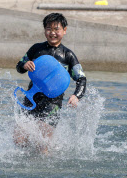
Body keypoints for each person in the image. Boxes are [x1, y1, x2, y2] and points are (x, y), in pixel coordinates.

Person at [14, 13, 87, 154]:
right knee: (19, 139)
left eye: (56, 29)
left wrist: (76, 96)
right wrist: (25, 65)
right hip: (31, 98)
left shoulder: (68, 55)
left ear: (64, 30)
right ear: (44, 30)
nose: (52, 33)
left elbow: (81, 79)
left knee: (42, 144)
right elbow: (19, 65)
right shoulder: (36, 49)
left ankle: (45, 167)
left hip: (53, 104)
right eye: (48, 29)